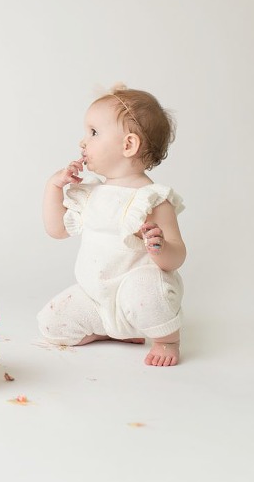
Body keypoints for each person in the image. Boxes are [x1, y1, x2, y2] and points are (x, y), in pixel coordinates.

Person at [38, 84, 186, 367]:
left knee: (145, 292)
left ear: (128, 145)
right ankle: (109, 329)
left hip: (137, 297)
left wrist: (161, 247)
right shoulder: (91, 194)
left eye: (93, 133)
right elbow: (56, 230)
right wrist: (53, 187)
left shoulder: (151, 199)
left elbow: (177, 256)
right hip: (96, 296)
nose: (83, 142)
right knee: (50, 324)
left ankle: (167, 340)